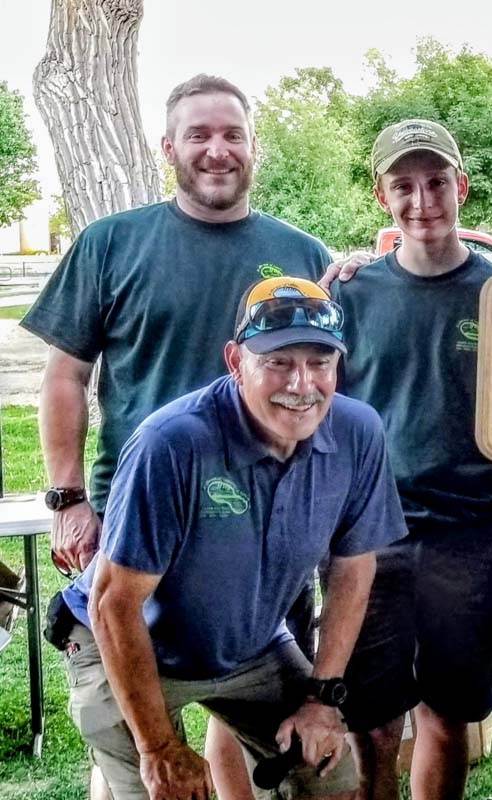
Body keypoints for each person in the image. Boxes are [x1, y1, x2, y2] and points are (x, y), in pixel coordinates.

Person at [19, 73, 335, 800]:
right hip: (139, 528)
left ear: (255, 148)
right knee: (133, 726)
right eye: (199, 135)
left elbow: (328, 379)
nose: (217, 150)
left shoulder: (302, 253)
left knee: (253, 697)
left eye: (232, 135)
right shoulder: (112, 244)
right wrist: (68, 496)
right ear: (169, 148)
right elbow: (65, 375)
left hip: (265, 534)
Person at [54, 276, 405, 800]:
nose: (302, 384)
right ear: (236, 361)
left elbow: (353, 570)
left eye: (320, 362)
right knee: (163, 790)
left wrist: (322, 699)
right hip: (126, 642)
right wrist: (159, 750)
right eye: (278, 362)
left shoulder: (359, 433)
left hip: (251, 647)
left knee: (332, 778)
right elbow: (114, 603)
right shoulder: (171, 444)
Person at [327, 119, 492, 800]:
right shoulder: (350, 294)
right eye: (404, 185)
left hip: (470, 533)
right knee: (372, 725)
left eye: (437, 182)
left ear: (460, 186)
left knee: (446, 715)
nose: (423, 199)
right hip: (370, 537)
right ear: (383, 196)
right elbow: (320, 412)